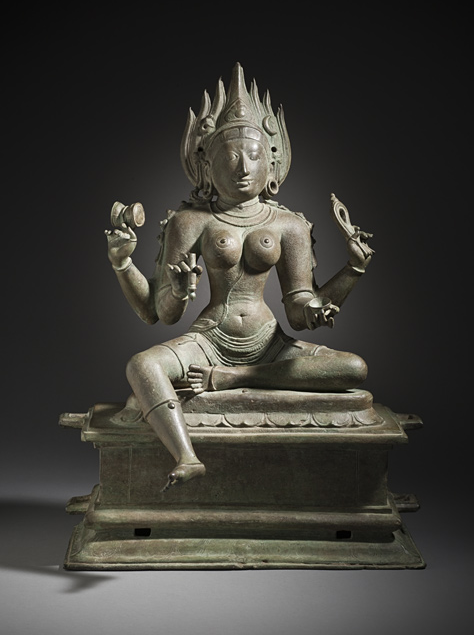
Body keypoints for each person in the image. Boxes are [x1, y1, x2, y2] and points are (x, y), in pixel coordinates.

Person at [105, 64, 373, 492]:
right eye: (230, 157)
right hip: (208, 341)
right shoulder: (190, 221)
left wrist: (350, 272)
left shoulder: (289, 225)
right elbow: (159, 313)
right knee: (142, 366)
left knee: (353, 368)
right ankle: (187, 457)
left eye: (254, 156)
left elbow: (300, 310)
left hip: (269, 344)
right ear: (206, 166)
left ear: (272, 165)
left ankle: (239, 377)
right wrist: (130, 267)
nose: (243, 167)